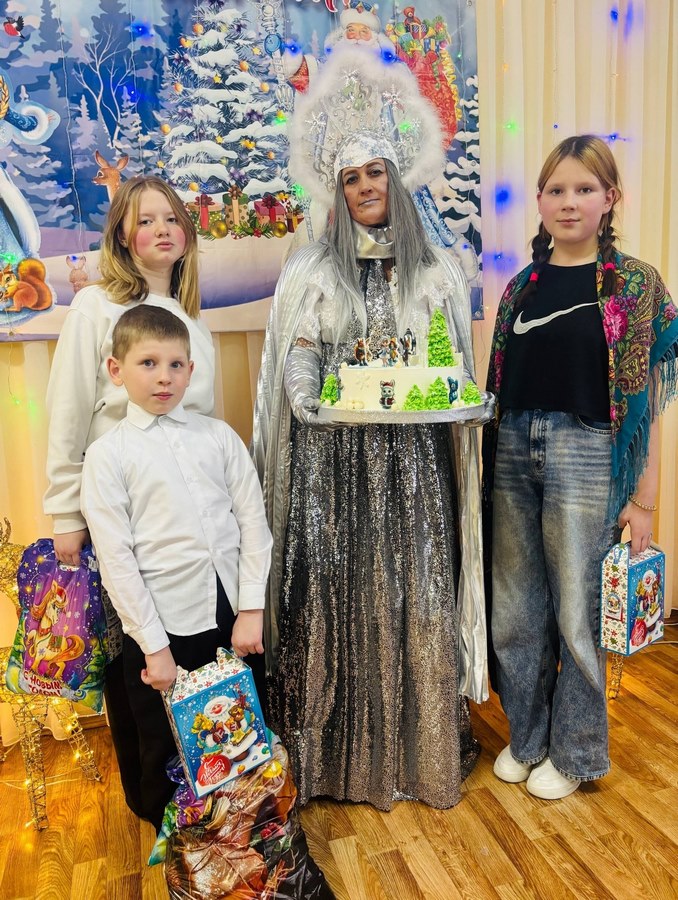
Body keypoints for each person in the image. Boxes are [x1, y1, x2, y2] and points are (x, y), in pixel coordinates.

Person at [252, 46, 492, 811]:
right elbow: (301, 349)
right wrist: (305, 396)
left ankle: (419, 753)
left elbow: (451, 367)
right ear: (338, 190)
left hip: (413, 464)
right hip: (334, 463)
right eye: (351, 177)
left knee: (413, 594)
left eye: (375, 173)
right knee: (337, 596)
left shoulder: (437, 270)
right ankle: (334, 762)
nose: (364, 187)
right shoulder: (312, 270)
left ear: (395, 179)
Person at [483, 135, 678, 800]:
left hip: (587, 455)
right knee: (515, 611)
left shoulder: (635, 285)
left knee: (577, 610)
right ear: (540, 201)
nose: (570, 202)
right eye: (557, 190)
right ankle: (529, 737)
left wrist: (643, 500)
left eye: (585, 189)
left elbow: (647, 403)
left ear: (610, 199)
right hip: (514, 452)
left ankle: (575, 753)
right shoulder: (521, 286)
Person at [43, 174, 216, 820]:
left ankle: (207, 784)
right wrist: (66, 512)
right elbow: (67, 412)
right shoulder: (95, 308)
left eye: (171, 218)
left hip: (186, 521)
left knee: (190, 650)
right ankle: (153, 800)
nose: (161, 230)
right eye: (145, 220)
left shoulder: (193, 323)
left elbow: (204, 425)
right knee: (137, 658)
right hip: (121, 514)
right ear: (122, 235)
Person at [80, 305, 272, 830]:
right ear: (116, 370)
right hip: (162, 622)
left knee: (237, 724)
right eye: (148, 363)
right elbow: (117, 560)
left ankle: (242, 829)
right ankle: (181, 844)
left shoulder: (219, 437)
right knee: (165, 739)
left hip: (230, 611)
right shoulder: (108, 455)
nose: (163, 377)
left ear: (191, 370)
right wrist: (153, 647)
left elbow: (253, 524)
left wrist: (251, 609)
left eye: (175, 365)